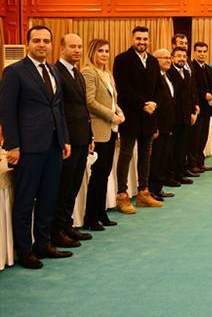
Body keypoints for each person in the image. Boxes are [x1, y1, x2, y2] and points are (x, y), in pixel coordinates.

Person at [0, 25, 72, 269]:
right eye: (37, 40)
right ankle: (24, 251)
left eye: (46, 41)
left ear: (51, 44)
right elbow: (7, 111)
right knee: (25, 200)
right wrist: (13, 145)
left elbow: (58, 108)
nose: (42, 44)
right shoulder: (14, 71)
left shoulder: (53, 70)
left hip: (54, 145)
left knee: (48, 197)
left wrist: (64, 139)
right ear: (27, 44)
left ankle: (43, 244)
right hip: (28, 148)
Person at [112, 25, 162, 213]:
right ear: (132, 39)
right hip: (131, 115)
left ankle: (143, 193)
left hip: (149, 115)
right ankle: (122, 195)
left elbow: (159, 87)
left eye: (145, 39)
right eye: (138, 38)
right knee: (126, 154)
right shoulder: (122, 59)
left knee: (145, 154)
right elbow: (123, 89)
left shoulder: (154, 61)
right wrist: (143, 104)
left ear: (149, 40)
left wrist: (154, 103)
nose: (142, 42)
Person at [52, 34, 94, 248]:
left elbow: (83, 106)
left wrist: (90, 135)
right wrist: (63, 139)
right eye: (72, 46)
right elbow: (58, 109)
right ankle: (57, 231)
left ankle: (67, 225)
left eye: (79, 46)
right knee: (63, 187)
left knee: (74, 186)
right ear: (62, 48)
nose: (77, 50)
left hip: (82, 137)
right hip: (67, 140)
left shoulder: (77, 73)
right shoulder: (55, 72)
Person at [82, 38, 124, 231]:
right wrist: (110, 115)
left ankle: (100, 213)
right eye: (100, 51)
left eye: (107, 51)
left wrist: (119, 111)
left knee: (105, 174)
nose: (104, 54)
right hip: (98, 131)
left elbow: (113, 100)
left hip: (110, 130)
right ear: (92, 52)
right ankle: (90, 217)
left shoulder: (107, 73)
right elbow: (89, 101)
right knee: (98, 175)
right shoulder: (88, 72)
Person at [149, 48, 177, 201]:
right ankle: (151, 190)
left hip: (168, 125)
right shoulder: (153, 78)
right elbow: (153, 104)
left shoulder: (167, 76)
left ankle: (159, 188)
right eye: (164, 58)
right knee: (156, 159)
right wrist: (154, 126)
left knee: (163, 158)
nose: (168, 60)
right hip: (158, 126)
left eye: (169, 57)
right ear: (156, 60)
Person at [167, 46, 199, 182]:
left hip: (186, 116)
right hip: (174, 117)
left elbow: (190, 95)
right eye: (178, 56)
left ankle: (181, 173)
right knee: (172, 148)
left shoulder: (186, 72)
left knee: (182, 147)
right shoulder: (168, 73)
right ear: (172, 58)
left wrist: (193, 112)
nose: (181, 59)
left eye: (184, 56)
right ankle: (172, 175)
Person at [189, 42, 212, 171]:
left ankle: (200, 162)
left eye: (204, 51)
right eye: (199, 51)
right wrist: (204, 94)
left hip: (207, 108)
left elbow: (211, 85)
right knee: (194, 137)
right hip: (196, 106)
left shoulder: (208, 68)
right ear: (194, 52)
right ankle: (192, 164)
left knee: (203, 136)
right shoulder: (191, 67)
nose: (202, 54)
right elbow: (192, 87)